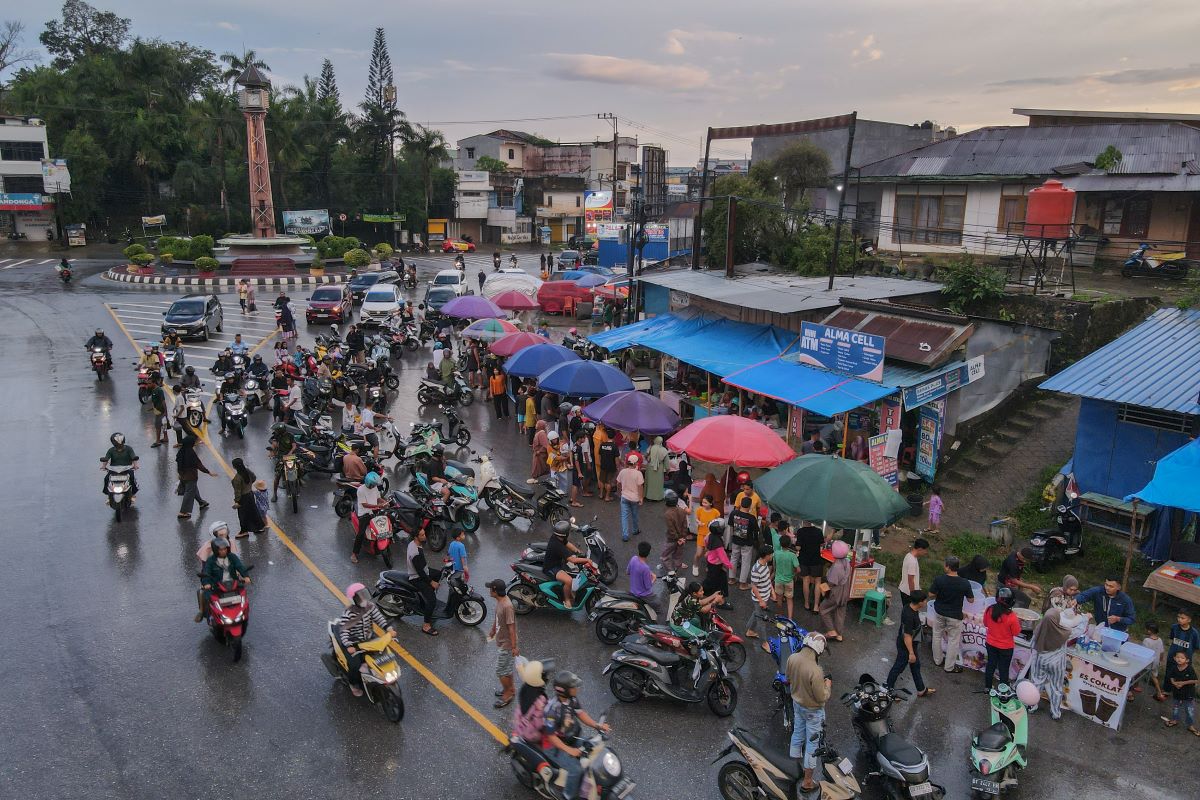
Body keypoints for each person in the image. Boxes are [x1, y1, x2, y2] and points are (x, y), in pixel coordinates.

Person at [542, 672, 611, 800]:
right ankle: (568, 795)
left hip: (570, 738)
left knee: (594, 748)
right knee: (576, 769)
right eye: (574, 687)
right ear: (564, 691)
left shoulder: (572, 699)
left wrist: (598, 726)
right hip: (553, 746)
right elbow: (551, 737)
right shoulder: (551, 710)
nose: (577, 689)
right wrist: (570, 750)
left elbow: (581, 714)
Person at [785, 632, 831, 792]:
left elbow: (788, 679)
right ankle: (807, 781)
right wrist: (828, 686)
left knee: (797, 733)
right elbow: (821, 698)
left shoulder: (792, 658)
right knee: (812, 744)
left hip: (797, 704)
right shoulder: (816, 670)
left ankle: (794, 770)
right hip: (813, 711)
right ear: (819, 650)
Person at [335, 583, 397, 696]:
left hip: (369, 639)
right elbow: (344, 631)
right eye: (360, 597)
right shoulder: (348, 613)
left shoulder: (370, 606)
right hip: (355, 643)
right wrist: (349, 645)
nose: (363, 598)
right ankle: (353, 684)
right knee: (354, 665)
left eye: (364, 594)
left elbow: (380, 619)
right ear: (354, 599)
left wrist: (389, 629)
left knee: (383, 655)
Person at [1028, 606, 1079, 720]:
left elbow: (1032, 645)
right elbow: (1078, 629)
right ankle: (1055, 712)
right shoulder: (1065, 632)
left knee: (1036, 684)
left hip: (1040, 662)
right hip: (1057, 665)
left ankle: (1032, 706)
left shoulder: (1039, 629)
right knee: (1056, 688)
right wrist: (1085, 618)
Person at [928, 556, 974, 673]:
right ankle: (949, 667)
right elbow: (971, 600)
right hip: (955, 616)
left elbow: (930, 594)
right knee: (953, 641)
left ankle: (937, 660)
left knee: (937, 635)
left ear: (948, 567)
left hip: (939, 612)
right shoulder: (964, 583)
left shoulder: (939, 579)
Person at [886, 589, 934, 696]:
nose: (926, 602)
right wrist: (911, 653)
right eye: (924, 601)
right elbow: (907, 636)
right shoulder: (909, 616)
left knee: (915, 666)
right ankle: (888, 689)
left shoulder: (908, 607)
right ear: (920, 602)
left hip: (912, 644)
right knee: (898, 667)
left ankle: (921, 689)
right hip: (907, 646)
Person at [197, 535, 250, 622]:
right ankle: (206, 614)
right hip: (217, 586)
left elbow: (240, 566)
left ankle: (243, 612)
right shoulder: (210, 560)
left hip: (233, 584)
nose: (223, 551)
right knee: (205, 595)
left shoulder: (232, 557)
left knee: (243, 595)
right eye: (221, 550)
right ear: (216, 550)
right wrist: (206, 583)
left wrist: (246, 576)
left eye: (225, 549)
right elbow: (206, 572)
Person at [543, 521, 592, 609]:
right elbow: (572, 560)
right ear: (565, 534)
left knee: (573, 574)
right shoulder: (557, 545)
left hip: (558, 563)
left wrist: (579, 552)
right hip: (552, 567)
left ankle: (569, 593)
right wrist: (587, 560)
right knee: (569, 580)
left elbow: (569, 544)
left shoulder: (557, 537)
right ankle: (567, 600)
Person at [486, 579, 519, 708]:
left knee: (501, 671)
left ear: (495, 590)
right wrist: (493, 630)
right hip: (502, 641)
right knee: (507, 668)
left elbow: (512, 628)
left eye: (491, 588)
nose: (489, 590)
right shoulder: (500, 601)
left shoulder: (507, 606)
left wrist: (514, 647)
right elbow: (498, 618)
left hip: (507, 644)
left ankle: (507, 694)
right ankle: (511, 689)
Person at [983, 587, 1022, 690]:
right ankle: (1003, 691)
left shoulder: (989, 609)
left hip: (990, 643)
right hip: (1005, 648)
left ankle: (987, 687)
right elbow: (1016, 632)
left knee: (990, 665)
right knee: (1003, 669)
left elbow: (985, 623)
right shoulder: (1012, 616)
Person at [818, 540, 852, 641]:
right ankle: (839, 634)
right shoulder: (847, 562)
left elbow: (832, 582)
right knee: (840, 612)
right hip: (845, 591)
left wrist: (824, 587)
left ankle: (831, 630)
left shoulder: (837, 566)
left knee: (823, 609)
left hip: (836, 593)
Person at [175, 434, 213, 519]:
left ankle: (201, 502)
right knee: (189, 493)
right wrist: (208, 472)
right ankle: (183, 512)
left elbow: (179, 464)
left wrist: (180, 474)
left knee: (193, 489)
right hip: (191, 476)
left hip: (183, 475)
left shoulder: (181, 452)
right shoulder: (191, 453)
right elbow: (199, 464)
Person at [727, 496, 761, 590]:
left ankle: (731, 578)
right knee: (745, 562)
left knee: (733, 558)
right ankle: (743, 583)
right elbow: (755, 530)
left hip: (735, 540)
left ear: (741, 503)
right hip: (747, 543)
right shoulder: (751, 518)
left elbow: (730, 526)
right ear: (750, 506)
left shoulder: (734, 513)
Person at [512, 659, 550, 742]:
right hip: (530, 733)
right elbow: (539, 723)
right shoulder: (540, 700)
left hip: (520, 725)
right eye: (545, 676)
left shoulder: (525, 688)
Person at [629, 541, 667, 622]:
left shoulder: (633, 559)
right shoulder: (645, 568)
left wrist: (648, 573)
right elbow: (648, 586)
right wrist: (654, 578)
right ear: (649, 553)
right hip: (644, 595)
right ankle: (660, 630)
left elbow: (628, 572)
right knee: (661, 611)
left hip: (633, 591)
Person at [1162, 650, 1199, 734]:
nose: (1179, 659)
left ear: (1187, 660)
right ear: (1175, 658)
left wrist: (1183, 683)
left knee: (1189, 710)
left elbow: (1195, 680)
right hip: (1177, 692)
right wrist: (1174, 683)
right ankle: (1175, 720)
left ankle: (1190, 725)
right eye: (1178, 657)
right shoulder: (1174, 668)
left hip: (1188, 694)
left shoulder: (1189, 669)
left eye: (1182, 658)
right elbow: (1171, 677)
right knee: (1175, 708)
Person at [745, 546, 775, 649]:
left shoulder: (764, 564)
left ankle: (750, 630)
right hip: (760, 599)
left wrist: (772, 590)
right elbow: (754, 586)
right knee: (761, 621)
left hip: (764, 596)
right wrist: (761, 601)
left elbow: (767, 579)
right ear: (766, 556)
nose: (772, 556)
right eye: (771, 554)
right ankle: (764, 643)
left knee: (757, 614)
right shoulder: (756, 569)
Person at [794, 522, 825, 613]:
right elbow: (822, 544)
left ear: (803, 521)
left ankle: (806, 603)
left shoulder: (800, 531)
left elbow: (798, 548)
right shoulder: (818, 531)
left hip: (804, 560)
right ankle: (816, 606)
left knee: (806, 581)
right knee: (817, 582)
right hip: (816, 559)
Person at [702, 520, 733, 602]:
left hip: (710, 561)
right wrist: (729, 565)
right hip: (716, 564)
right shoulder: (718, 542)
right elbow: (723, 556)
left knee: (718, 579)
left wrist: (708, 551)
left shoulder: (710, 535)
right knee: (712, 580)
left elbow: (705, 541)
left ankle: (720, 595)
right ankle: (702, 592)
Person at [100, 433, 139, 497]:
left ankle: (134, 491)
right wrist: (103, 466)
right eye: (117, 444)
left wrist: (135, 465)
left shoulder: (129, 449)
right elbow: (106, 459)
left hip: (127, 468)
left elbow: (133, 457)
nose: (119, 445)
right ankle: (107, 492)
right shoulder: (111, 450)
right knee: (106, 478)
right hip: (114, 469)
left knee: (132, 477)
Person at [230, 457, 261, 537]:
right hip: (250, 494)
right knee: (254, 511)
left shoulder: (237, 478)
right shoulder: (247, 471)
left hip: (243, 498)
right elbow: (254, 477)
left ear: (234, 467)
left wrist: (237, 501)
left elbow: (237, 491)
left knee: (243, 515)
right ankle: (259, 527)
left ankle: (244, 531)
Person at [616, 454, 644, 542]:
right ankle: (635, 530)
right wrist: (641, 498)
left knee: (624, 516)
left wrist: (619, 492)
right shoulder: (638, 473)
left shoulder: (622, 472)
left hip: (624, 496)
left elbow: (618, 483)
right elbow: (640, 486)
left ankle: (625, 535)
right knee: (634, 515)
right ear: (635, 463)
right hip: (634, 498)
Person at [693, 494, 721, 578]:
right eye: (703, 502)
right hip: (701, 534)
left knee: (708, 554)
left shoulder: (716, 512)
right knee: (699, 553)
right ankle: (695, 566)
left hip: (711, 536)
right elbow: (696, 518)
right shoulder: (699, 510)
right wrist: (698, 522)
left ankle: (708, 566)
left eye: (705, 503)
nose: (703, 504)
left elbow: (718, 523)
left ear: (711, 503)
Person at [662, 489, 689, 574]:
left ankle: (670, 571)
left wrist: (678, 539)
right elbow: (685, 525)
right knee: (678, 554)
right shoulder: (682, 510)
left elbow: (671, 529)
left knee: (665, 555)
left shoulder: (667, 514)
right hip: (682, 538)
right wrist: (683, 538)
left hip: (672, 538)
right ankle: (677, 567)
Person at [773, 534, 800, 620]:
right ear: (789, 544)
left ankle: (779, 615)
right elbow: (798, 569)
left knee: (779, 599)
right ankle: (790, 618)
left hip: (778, 579)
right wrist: (794, 574)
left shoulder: (776, 553)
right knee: (789, 599)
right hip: (789, 580)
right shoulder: (792, 555)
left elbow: (774, 566)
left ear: (780, 544)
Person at [900, 538, 929, 606]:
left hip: (904, 589)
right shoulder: (912, 561)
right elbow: (910, 580)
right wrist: (914, 595)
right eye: (925, 550)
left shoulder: (908, 555)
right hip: (909, 593)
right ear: (920, 549)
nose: (926, 552)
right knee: (909, 612)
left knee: (906, 610)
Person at [643, 436, 669, 502]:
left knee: (650, 482)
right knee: (658, 483)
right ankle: (658, 497)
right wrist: (667, 470)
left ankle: (649, 496)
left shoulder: (651, 447)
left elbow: (646, 456)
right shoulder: (664, 450)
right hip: (659, 468)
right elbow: (666, 461)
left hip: (650, 467)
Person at [596, 430, 618, 501]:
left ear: (607, 436)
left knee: (602, 480)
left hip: (603, 465)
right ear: (614, 437)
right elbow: (616, 458)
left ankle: (601, 494)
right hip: (611, 466)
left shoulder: (602, 445)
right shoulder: (614, 446)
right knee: (608, 482)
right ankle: (607, 497)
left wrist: (601, 462)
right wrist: (617, 466)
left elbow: (599, 455)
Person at [572, 431, 595, 499]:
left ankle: (573, 498)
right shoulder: (578, 448)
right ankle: (574, 500)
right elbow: (576, 460)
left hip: (577, 467)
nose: (585, 439)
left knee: (576, 484)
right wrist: (579, 472)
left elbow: (572, 454)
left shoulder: (575, 446)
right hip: (577, 468)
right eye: (583, 438)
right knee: (576, 484)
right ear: (579, 438)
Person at [149, 375, 170, 447]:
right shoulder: (154, 390)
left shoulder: (159, 390)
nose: (148, 385)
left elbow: (163, 401)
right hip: (157, 410)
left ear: (154, 383)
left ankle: (157, 441)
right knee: (164, 424)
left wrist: (165, 412)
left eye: (150, 383)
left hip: (160, 411)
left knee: (158, 426)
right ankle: (165, 437)